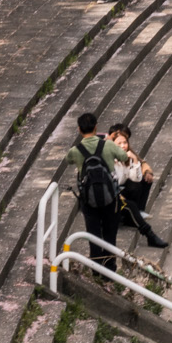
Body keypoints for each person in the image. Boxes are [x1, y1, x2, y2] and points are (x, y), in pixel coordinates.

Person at [68, 112, 126, 270]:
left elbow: (68, 160)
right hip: (110, 197)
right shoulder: (107, 145)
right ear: (96, 127)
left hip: (88, 199)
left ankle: (96, 269)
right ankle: (110, 269)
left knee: (93, 235)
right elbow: (123, 156)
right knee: (110, 235)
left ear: (79, 129)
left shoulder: (76, 150)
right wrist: (108, 142)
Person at [107, 125, 169, 249]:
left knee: (140, 183)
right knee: (131, 206)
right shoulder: (108, 160)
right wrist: (119, 195)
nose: (123, 146)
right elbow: (108, 183)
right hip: (109, 198)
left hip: (119, 191)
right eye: (119, 143)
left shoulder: (126, 157)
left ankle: (136, 216)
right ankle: (150, 235)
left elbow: (136, 179)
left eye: (125, 142)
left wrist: (134, 160)